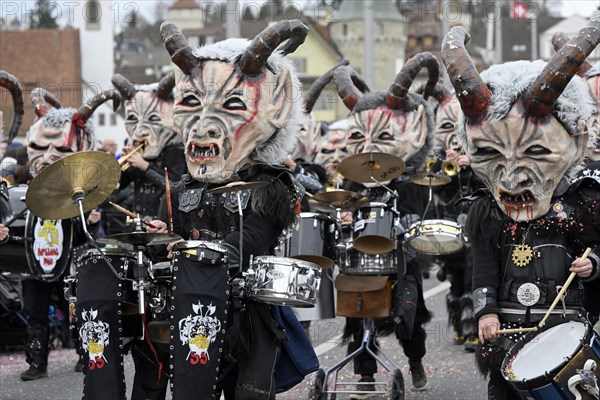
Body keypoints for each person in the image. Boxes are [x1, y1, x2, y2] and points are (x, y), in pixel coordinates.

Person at [441, 17, 600, 400]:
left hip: (569, 334)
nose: (511, 181)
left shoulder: (587, 200)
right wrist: (486, 313)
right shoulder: (488, 210)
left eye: (537, 151)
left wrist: (594, 265)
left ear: (576, 144)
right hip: (509, 336)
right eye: (489, 153)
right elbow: (483, 266)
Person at [332, 54, 439, 397]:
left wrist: (408, 230)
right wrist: (344, 216)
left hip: (400, 255)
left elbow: (422, 213)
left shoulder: (411, 181)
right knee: (356, 311)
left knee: (410, 315)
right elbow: (339, 208)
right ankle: (365, 375)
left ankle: (416, 361)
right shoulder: (354, 182)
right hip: (361, 258)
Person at [10, 87, 119, 380]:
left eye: (59, 150)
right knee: (35, 313)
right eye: (41, 148)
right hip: (36, 263)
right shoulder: (21, 185)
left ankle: (85, 356)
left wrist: (93, 221)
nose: (47, 158)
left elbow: (90, 234)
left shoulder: (84, 190)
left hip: (69, 261)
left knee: (77, 307)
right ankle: (37, 363)